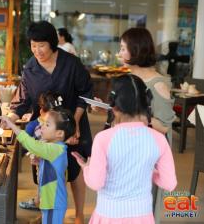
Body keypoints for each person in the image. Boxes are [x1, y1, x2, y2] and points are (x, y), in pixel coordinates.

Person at [7, 21, 93, 224]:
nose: (37, 50)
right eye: (33, 45)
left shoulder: (71, 63)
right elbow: (23, 100)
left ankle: (79, 214)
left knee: (75, 168)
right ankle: (48, 209)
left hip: (74, 124)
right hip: (46, 128)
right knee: (46, 168)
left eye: (41, 45)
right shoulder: (30, 68)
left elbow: (85, 93)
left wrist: (75, 124)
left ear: (52, 43)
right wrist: (10, 118)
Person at [72, 74, 177, 224]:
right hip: (143, 216)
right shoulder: (159, 139)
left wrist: (87, 168)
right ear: (146, 102)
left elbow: (96, 183)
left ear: (113, 105)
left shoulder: (103, 139)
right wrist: (148, 170)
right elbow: (169, 184)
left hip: (108, 215)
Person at [1, 107, 76, 224]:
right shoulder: (55, 148)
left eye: (47, 125)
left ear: (59, 133)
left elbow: (31, 144)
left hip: (53, 203)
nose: (41, 127)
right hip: (50, 201)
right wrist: (41, 162)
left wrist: (11, 124)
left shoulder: (55, 149)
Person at [119, 27, 176, 143]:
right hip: (131, 145)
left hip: (149, 152)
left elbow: (165, 128)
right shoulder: (132, 79)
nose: (119, 53)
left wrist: (137, 117)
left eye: (123, 49)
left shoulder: (158, 84)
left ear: (136, 51)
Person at [19, 92, 62, 212]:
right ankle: (40, 202)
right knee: (41, 181)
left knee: (53, 183)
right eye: (49, 116)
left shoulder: (58, 124)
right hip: (40, 161)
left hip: (55, 161)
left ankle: (46, 204)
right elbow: (26, 142)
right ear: (41, 111)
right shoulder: (33, 125)